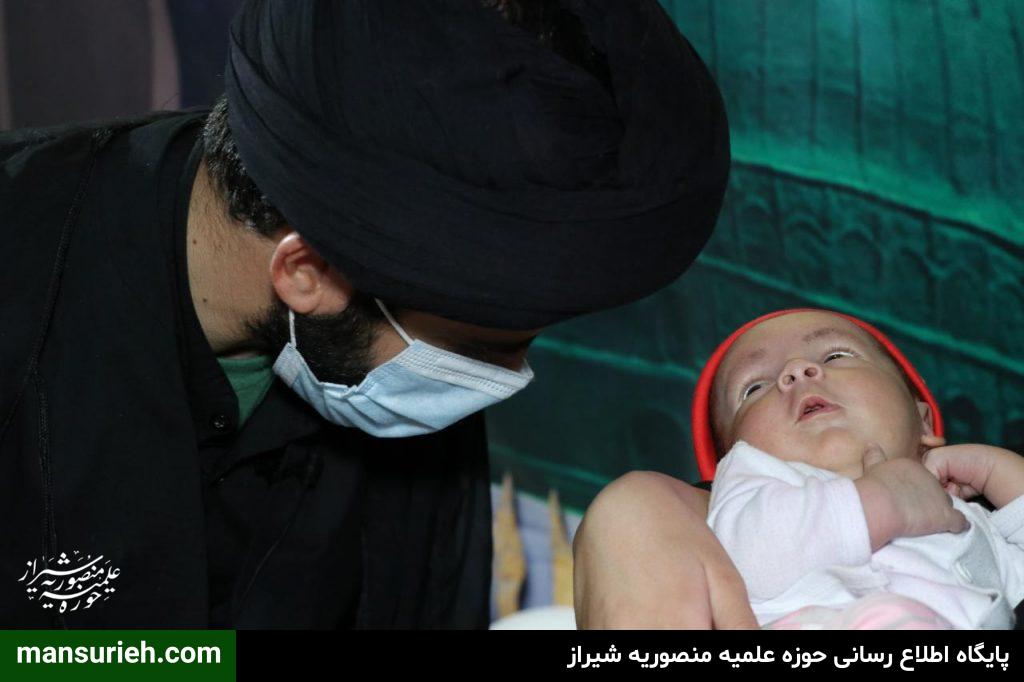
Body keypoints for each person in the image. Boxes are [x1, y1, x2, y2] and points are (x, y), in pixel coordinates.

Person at [0, 0, 729, 628]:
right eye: (483, 348)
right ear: (308, 274)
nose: (507, 378)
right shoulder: (29, 298)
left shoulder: (400, 305)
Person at [576, 309, 1024, 629]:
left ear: (923, 421)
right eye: (754, 388)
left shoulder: (971, 519)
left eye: (836, 356)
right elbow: (754, 559)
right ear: (730, 462)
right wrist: (882, 503)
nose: (796, 371)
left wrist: (999, 471)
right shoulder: (754, 497)